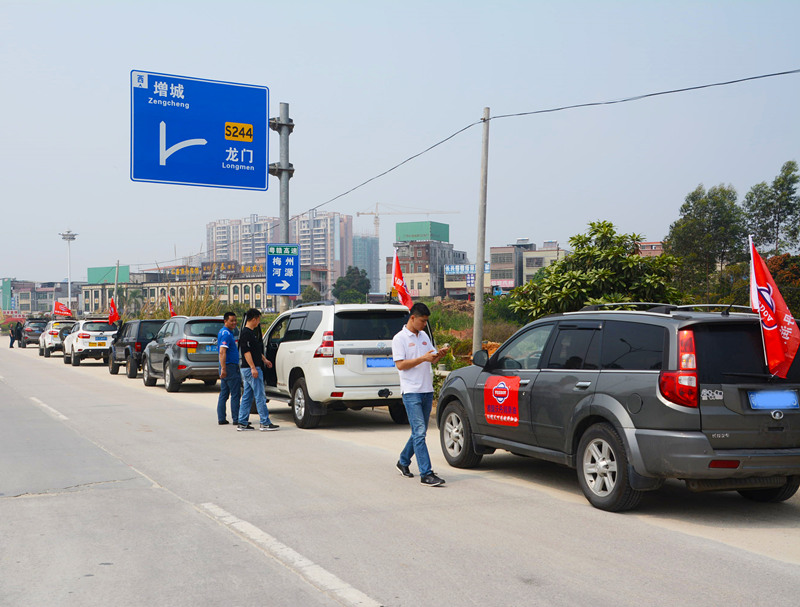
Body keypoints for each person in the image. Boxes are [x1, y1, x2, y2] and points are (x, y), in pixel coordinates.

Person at [392, 302, 449, 487]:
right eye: (423, 321)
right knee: (419, 432)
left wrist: (439, 355)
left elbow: (431, 359)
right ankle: (426, 473)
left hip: (426, 389)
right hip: (411, 391)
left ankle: (403, 461)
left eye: (426, 322)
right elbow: (400, 365)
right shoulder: (399, 338)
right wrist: (422, 358)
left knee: (419, 432)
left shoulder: (424, 335)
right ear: (413, 318)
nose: (425, 324)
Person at [237, 308, 279, 432]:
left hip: (250, 368)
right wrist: (253, 368)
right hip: (251, 369)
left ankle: (242, 422)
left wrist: (265, 360)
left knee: (247, 396)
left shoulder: (251, 333)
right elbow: (247, 352)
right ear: (254, 319)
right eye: (258, 320)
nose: (259, 323)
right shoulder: (246, 333)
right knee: (260, 395)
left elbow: (256, 351)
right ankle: (265, 422)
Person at [216, 311, 241, 425]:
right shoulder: (226, 333)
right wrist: (224, 368)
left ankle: (222, 418)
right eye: (231, 321)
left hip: (227, 366)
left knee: (224, 393)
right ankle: (237, 418)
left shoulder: (225, 332)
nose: (234, 323)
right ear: (225, 321)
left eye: (235, 320)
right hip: (229, 366)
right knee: (235, 393)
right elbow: (222, 352)